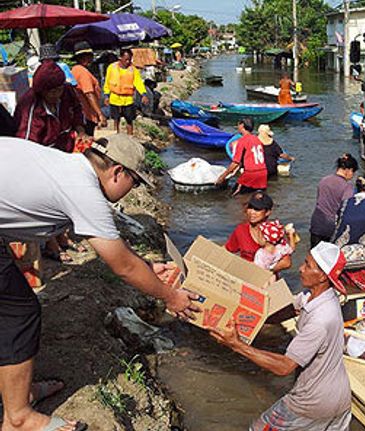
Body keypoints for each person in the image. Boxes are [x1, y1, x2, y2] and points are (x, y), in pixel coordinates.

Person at [0, 134, 199, 431]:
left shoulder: (68, 166)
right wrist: (171, 297)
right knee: (19, 313)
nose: (133, 191)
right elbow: (122, 266)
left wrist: (146, 266)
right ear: (118, 171)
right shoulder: (82, 191)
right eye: (135, 182)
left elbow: (114, 248)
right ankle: (18, 417)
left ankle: (18, 389)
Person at [209, 242, 351, 431]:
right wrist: (244, 313)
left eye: (307, 266)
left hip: (312, 401)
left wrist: (236, 344)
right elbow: (286, 311)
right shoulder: (316, 295)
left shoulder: (321, 320)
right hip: (338, 396)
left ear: (323, 276)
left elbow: (284, 366)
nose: (300, 268)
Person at [14, 60, 88, 153]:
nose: (56, 94)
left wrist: (81, 132)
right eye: (52, 92)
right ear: (42, 91)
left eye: (59, 90)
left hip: (66, 148)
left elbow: (77, 110)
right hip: (44, 153)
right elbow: (27, 144)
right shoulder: (31, 106)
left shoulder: (67, 91)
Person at [225, 192, 293, 274]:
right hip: (245, 275)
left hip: (265, 277)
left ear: (267, 212)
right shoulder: (241, 230)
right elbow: (226, 250)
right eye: (250, 207)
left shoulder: (273, 232)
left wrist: (263, 271)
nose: (252, 212)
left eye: (257, 209)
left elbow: (286, 263)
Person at [309, 154, 359, 248]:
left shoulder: (324, 180)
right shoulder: (347, 187)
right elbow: (346, 209)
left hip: (317, 222)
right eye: (353, 172)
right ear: (348, 170)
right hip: (331, 227)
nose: (352, 176)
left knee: (314, 256)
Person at [215, 117, 268, 194]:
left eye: (238, 124)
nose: (237, 127)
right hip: (263, 172)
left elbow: (235, 162)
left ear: (242, 125)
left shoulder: (242, 141)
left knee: (235, 196)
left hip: (251, 173)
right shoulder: (257, 139)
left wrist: (222, 176)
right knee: (257, 196)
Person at [103, 48, 148, 135]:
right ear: (120, 58)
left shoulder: (133, 69)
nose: (128, 62)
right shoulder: (111, 68)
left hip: (128, 99)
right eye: (126, 59)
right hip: (114, 98)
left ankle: (130, 136)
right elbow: (107, 83)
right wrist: (106, 96)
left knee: (129, 119)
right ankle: (116, 135)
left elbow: (138, 82)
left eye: (129, 59)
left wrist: (144, 94)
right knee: (116, 119)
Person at [71, 41, 107, 137]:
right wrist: (100, 114)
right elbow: (89, 94)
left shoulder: (75, 70)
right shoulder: (82, 72)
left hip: (82, 113)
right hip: (86, 115)